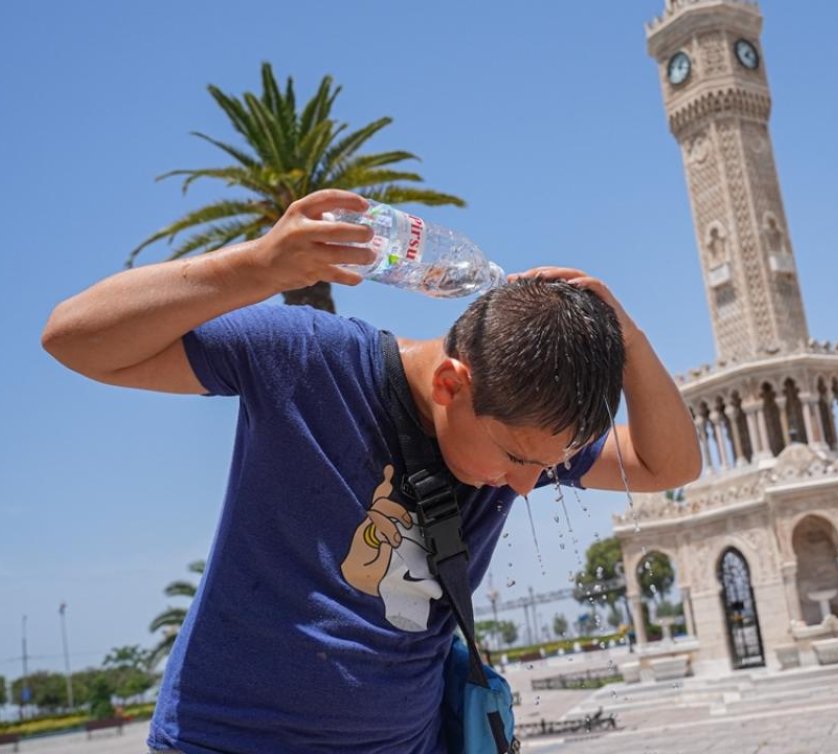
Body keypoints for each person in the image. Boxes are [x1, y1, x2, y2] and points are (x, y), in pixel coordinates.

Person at [42, 189, 702, 753]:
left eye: (546, 466)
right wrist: (257, 266)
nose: (529, 484)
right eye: (518, 460)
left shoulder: (524, 430)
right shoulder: (308, 359)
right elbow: (73, 338)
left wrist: (628, 340)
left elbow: (667, 463)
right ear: (452, 384)